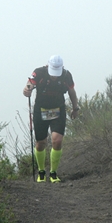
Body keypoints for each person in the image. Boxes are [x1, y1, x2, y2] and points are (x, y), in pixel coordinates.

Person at [23, 55, 79, 183]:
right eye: (52, 73)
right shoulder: (39, 72)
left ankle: (53, 173)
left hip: (58, 110)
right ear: (48, 66)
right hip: (40, 111)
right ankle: (41, 172)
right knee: (41, 142)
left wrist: (75, 108)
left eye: (56, 73)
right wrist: (27, 89)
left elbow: (71, 91)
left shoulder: (66, 75)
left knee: (57, 140)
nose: (54, 76)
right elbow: (29, 84)